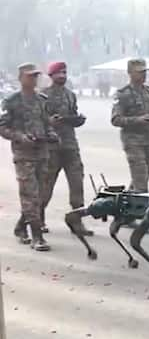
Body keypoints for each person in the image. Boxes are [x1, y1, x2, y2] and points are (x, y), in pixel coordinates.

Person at [0, 63, 59, 251]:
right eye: (29, 76)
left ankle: (20, 226)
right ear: (21, 78)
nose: (33, 79)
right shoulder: (12, 101)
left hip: (42, 152)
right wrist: (20, 137)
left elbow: (47, 123)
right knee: (29, 195)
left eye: (35, 76)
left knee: (41, 195)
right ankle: (37, 236)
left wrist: (51, 133)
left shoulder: (42, 100)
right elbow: (2, 127)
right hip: (23, 154)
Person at [39, 61, 93, 236]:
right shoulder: (43, 96)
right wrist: (50, 122)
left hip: (70, 146)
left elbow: (73, 116)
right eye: (58, 73)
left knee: (77, 183)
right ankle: (38, 221)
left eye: (64, 72)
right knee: (46, 186)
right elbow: (37, 120)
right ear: (51, 76)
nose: (62, 75)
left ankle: (76, 221)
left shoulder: (71, 95)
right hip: (51, 148)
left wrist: (78, 120)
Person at [111, 58, 149, 193]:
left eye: (145, 72)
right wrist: (137, 120)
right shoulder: (123, 94)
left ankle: (128, 204)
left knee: (142, 177)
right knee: (141, 179)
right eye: (139, 72)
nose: (143, 75)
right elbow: (116, 119)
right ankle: (140, 210)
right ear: (130, 73)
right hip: (133, 142)